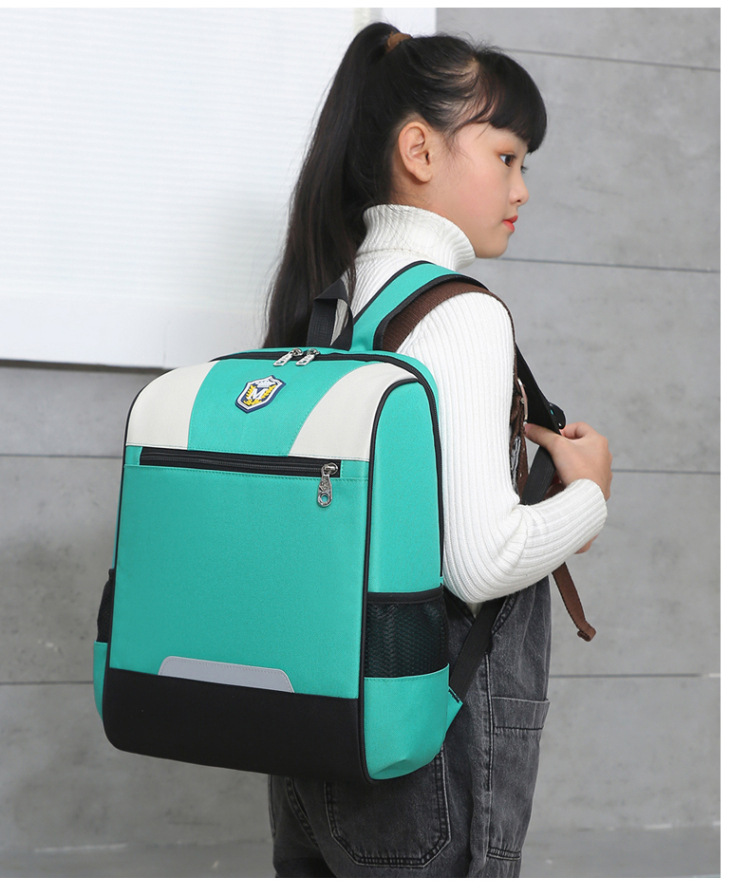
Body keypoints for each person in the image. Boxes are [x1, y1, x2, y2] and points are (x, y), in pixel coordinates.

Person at [263, 22, 612, 878]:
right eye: (507, 156)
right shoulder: (460, 314)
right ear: (419, 149)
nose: (521, 188)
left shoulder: (329, 302)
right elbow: (480, 563)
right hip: (425, 753)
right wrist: (590, 496)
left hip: (308, 732)